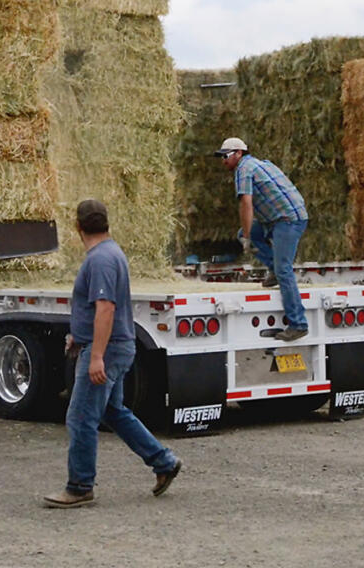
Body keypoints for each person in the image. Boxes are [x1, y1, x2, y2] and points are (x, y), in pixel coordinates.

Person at [43, 199, 181, 509]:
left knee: (80, 418)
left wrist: (96, 357)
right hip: (112, 345)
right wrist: (78, 338)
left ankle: (79, 486)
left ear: (77, 227)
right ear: (106, 223)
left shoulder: (100, 260)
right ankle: (163, 461)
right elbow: (98, 309)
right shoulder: (110, 253)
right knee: (112, 411)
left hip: (107, 348)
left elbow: (106, 309)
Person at [213, 137, 309, 341]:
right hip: (282, 218)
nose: (223, 161)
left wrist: (248, 237)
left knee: (285, 269)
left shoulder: (243, 170)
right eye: (221, 157)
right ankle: (273, 270)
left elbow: (246, 204)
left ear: (239, 153)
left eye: (226, 156)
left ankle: (298, 324)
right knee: (247, 235)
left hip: (287, 220)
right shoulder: (260, 164)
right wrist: (247, 234)